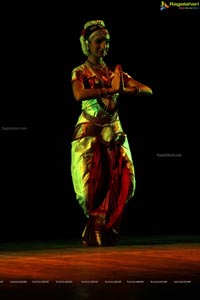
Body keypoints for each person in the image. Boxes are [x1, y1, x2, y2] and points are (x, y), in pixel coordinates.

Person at [70, 19, 153, 246]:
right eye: (98, 41)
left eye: (106, 42)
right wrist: (110, 89)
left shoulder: (116, 72)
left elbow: (148, 90)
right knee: (89, 188)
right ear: (86, 44)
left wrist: (124, 89)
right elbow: (79, 95)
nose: (103, 46)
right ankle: (95, 228)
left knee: (124, 182)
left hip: (114, 131)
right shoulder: (80, 71)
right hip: (89, 133)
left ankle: (105, 229)